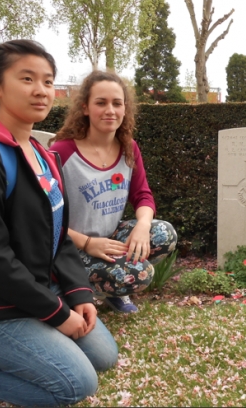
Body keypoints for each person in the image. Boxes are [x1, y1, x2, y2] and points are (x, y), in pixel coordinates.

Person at [0, 40, 118, 406]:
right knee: (76, 384)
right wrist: (56, 314)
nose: (41, 91)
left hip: (38, 292)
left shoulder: (45, 156)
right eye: (27, 79)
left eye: (48, 81)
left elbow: (59, 236)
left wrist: (78, 294)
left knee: (104, 356)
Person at [50, 70, 177, 314]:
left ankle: (107, 291)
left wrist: (142, 226)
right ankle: (77, 290)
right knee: (140, 274)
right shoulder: (62, 152)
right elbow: (46, 215)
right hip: (70, 247)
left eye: (117, 103)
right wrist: (87, 243)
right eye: (101, 102)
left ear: (125, 109)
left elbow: (143, 195)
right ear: (85, 108)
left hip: (109, 239)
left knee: (163, 234)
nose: (110, 110)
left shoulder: (129, 148)